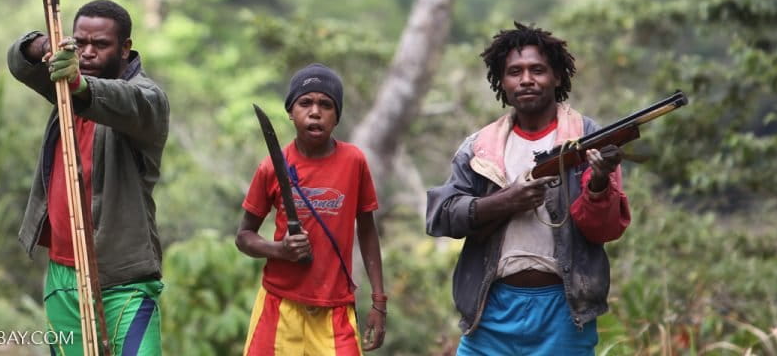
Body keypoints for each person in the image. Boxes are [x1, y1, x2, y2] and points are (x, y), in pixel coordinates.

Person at [425, 22, 631, 355]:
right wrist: (509, 200)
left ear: (558, 77)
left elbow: (603, 230)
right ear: (501, 82)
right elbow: (443, 216)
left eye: (538, 69)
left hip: (565, 312)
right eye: (514, 72)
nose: (526, 79)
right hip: (490, 310)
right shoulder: (480, 147)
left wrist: (597, 182)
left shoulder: (587, 137)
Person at [7, 0, 170, 356]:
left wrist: (78, 83)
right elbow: (19, 63)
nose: (89, 53)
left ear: (125, 48)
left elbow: (128, 102)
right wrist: (44, 46)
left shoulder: (146, 98)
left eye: (101, 45)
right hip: (64, 277)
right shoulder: (63, 85)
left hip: (124, 279)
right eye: (80, 44)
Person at [236, 63, 387, 355]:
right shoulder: (271, 167)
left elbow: (367, 230)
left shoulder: (353, 161)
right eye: (305, 103)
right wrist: (279, 250)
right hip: (278, 306)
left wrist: (379, 301)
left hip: (335, 311)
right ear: (291, 112)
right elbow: (243, 236)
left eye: (326, 105)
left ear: (336, 116)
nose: (315, 111)